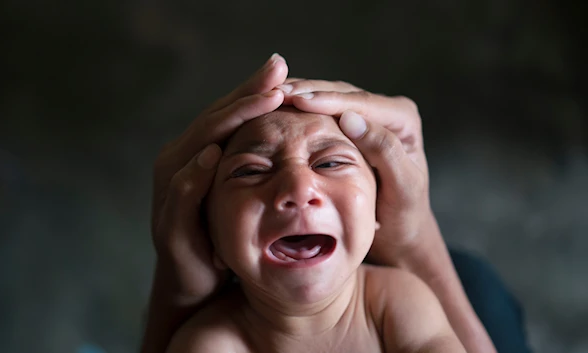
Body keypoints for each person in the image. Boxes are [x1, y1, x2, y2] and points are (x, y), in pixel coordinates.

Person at [140, 54, 529, 353]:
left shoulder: (396, 300)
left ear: (379, 213)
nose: (297, 187)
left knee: (472, 276)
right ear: (210, 239)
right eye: (250, 171)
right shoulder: (214, 342)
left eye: (331, 162)